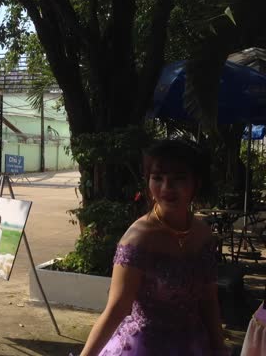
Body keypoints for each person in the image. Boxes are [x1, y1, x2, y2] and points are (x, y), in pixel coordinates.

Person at [80, 140, 228, 356]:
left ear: (196, 182)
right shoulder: (138, 238)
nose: (167, 188)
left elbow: (209, 299)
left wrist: (218, 347)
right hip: (143, 347)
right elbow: (116, 309)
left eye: (179, 178)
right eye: (157, 178)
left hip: (195, 345)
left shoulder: (203, 234)